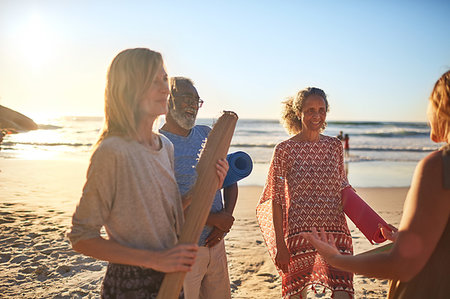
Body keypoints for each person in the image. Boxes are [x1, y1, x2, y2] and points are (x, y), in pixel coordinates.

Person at [67, 48, 228, 298]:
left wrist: (208, 186)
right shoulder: (113, 151)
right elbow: (81, 237)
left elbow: (171, 216)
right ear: (129, 89)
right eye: (154, 81)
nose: (165, 88)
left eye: (164, 78)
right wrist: (155, 260)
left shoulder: (166, 146)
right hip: (132, 284)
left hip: (173, 279)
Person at [303, 71, 450, 299]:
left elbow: (402, 265)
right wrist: (407, 237)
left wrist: (336, 259)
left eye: (430, 103)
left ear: (442, 106)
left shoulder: (439, 166)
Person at [256, 87, 354, 299]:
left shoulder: (334, 146)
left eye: (321, 110)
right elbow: (277, 199)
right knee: (295, 294)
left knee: (343, 292)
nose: (316, 115)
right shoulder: (284, 150)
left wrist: (372, 222)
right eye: (310, 110)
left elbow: (343, 187)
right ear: (299, 112)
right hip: (300, 234)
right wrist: (280, 246)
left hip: (335, 232)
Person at [160, 77, 238, 299]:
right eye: (187, 99)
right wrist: (216, 221)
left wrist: (226, 220)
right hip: (183, 248)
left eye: (197, 100)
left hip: (216, 244)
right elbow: (165, 209)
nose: (194, 105)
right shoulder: (158, 144)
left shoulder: (207, 134)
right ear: (168, 101)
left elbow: (231, 178)